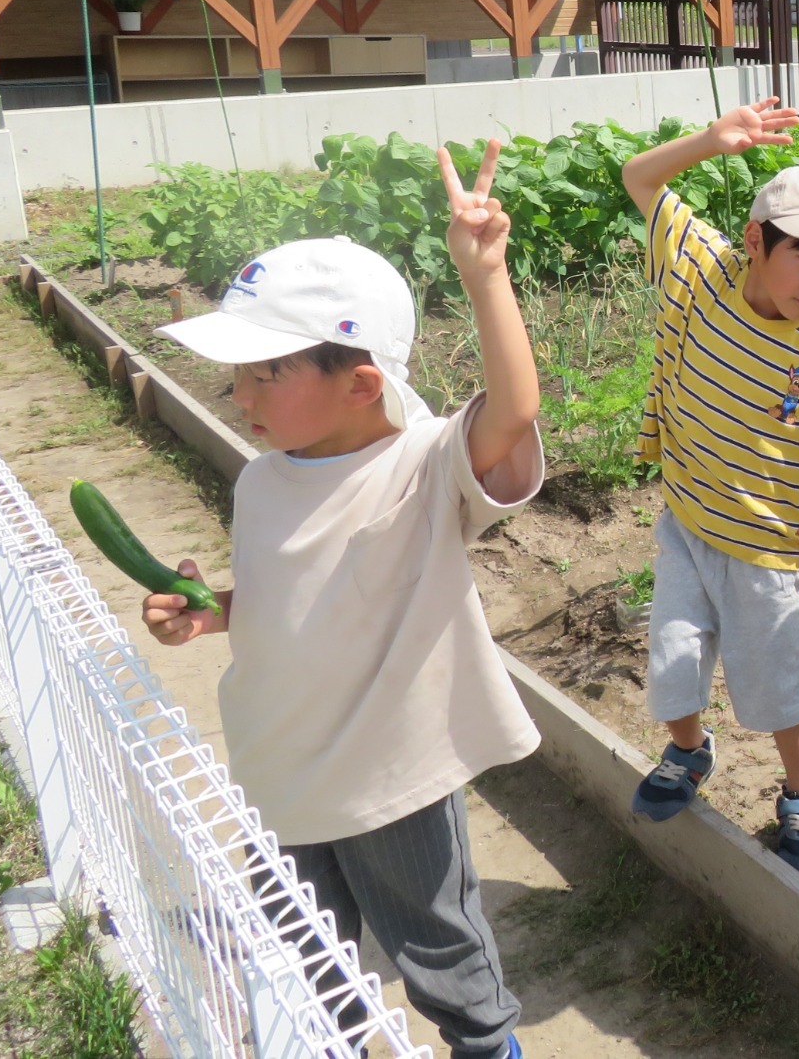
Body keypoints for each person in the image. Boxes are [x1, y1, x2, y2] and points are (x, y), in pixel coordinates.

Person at [142, 143, 543, 1059]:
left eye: (263, 373)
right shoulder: (263, 479)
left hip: (387, 781)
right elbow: (294, 595)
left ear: (362, 383)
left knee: (441, 953)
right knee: (305, 960)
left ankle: (489, 1050)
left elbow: (513, 413)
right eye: (237, 374)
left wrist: (486, 275)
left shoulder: (426, 465)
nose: (237, 393)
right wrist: (218, 611)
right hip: (277, 769)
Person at [618, 97, 799, 878]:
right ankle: (688, 752)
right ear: (755, 241)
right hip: (686, 521)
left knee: (776, 684)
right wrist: (712, 139)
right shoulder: (702, 269)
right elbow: (639, 177)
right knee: (670, 666)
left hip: (766, 550)